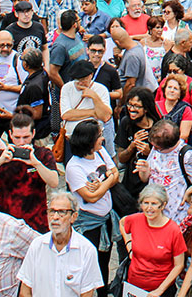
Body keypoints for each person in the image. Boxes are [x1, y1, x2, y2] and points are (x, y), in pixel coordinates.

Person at [0, 109, 59, 233]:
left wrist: (36, 163)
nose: (21, 142)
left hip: (36, 222)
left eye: (26, 137)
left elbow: (54, 182)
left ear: (33, 133)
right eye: (17, 137)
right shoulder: (1, 154)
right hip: (6, 222)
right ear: (10, 134)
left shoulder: (43, 154)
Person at [64, 120, 118, 296]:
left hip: (106, 218)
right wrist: (108, 180)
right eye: (99, 136)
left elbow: (116, 173)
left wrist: (105, 183)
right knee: (86, 263)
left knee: (104, 260)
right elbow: (90, 196)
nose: (102, 139)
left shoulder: (101, 153)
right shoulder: (74, 166)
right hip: (88, 222)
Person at [17, 189, 104, 297]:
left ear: (74, 217)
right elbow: (25, 291)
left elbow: (87, 294)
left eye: (62, 212)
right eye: (52, 211)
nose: (55, 217)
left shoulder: (86, 250)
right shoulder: (37, 245)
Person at [122, 184, 188, 297]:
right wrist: (129, 245)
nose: (149, 208)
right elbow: (123, 223)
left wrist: (160, 290)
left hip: (160, 290)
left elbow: (179, 265)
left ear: (163, 206)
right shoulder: (135, 220)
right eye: (145, 203)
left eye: (154, 204)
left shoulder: (173, 230)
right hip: (134, 286)